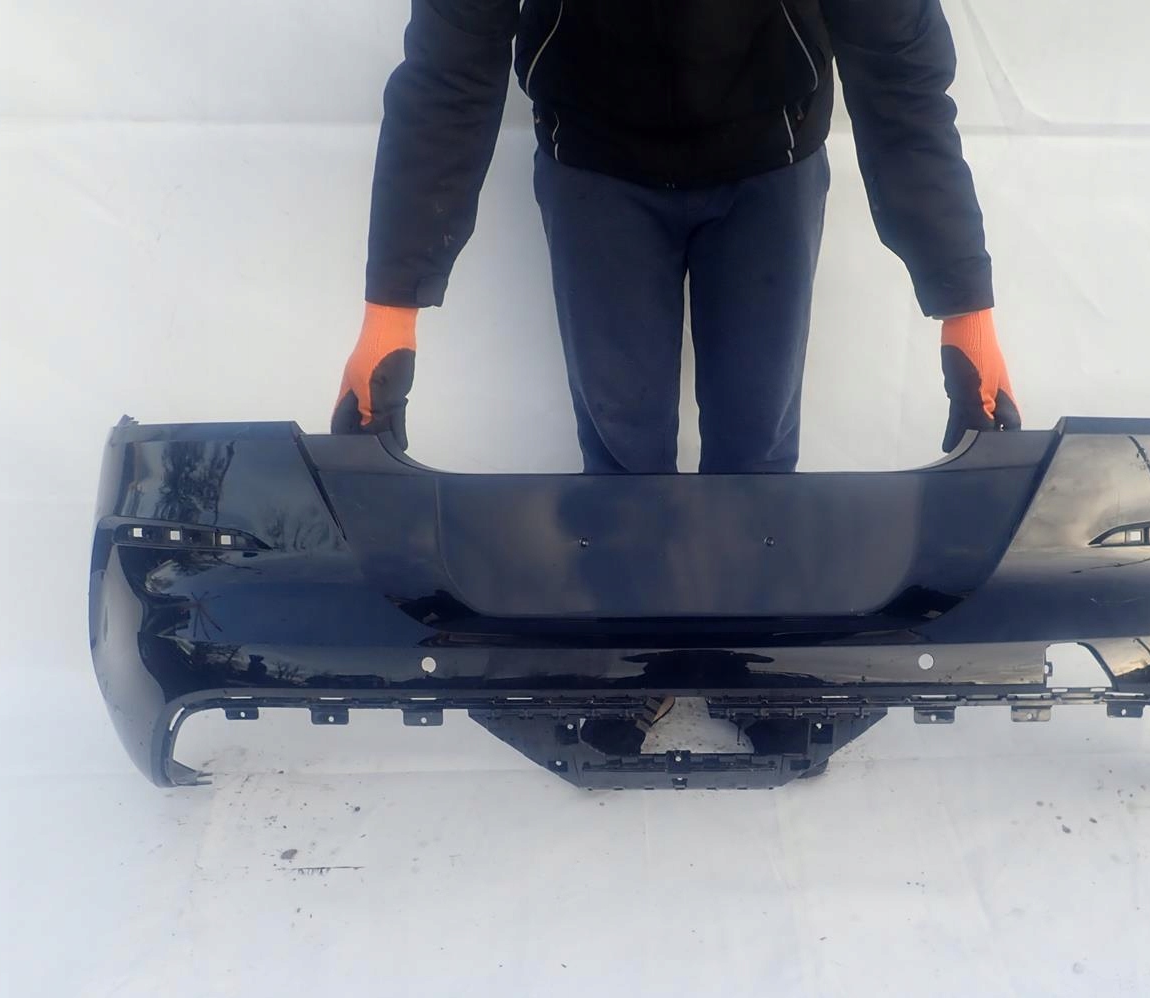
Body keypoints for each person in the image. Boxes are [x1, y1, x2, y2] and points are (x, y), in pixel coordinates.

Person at [332, 0, 1022, 758]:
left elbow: (901, 68)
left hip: (770, 157)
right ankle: (636, 652)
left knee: (757, 439)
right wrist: (391, 308)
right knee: (621, 438)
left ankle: (754, 653)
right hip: (594, 161)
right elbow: (449, 64)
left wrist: (966, 307)